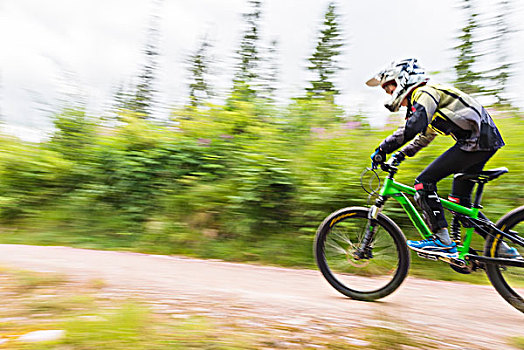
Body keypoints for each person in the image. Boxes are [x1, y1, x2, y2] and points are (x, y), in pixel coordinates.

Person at [366, 58, 520, 259]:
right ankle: (500, 249)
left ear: (403, 80)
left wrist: (383, 148)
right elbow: (424, 135)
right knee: (460, 204)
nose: (389, 93)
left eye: (390, 87)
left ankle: (442, 240)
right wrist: (400, 155)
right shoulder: (425, 100)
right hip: (481, 141)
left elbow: (412, 127)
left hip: (476, 141)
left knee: (423, 182)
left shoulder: (424, 92)